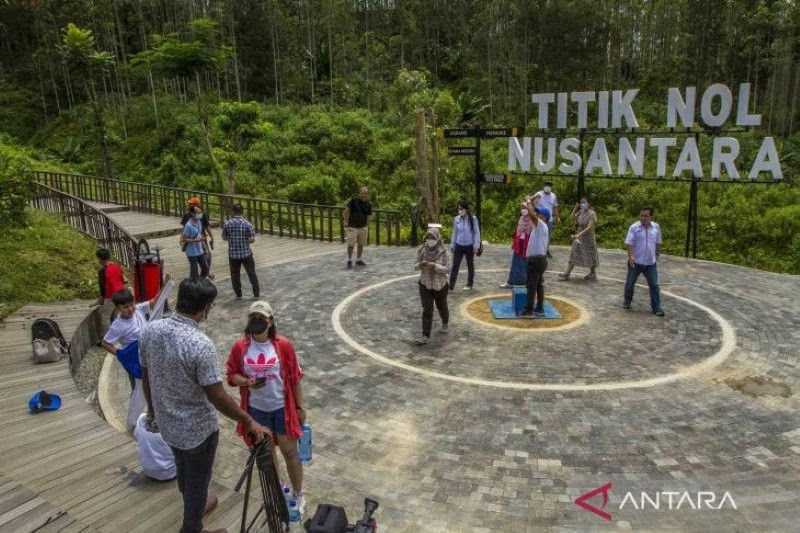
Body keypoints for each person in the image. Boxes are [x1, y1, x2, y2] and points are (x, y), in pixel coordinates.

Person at [140, 278, 270, 533]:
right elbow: (217, 396)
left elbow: (147, 375)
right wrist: (248, 420)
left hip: (167, 423)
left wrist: (153, 410)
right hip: (198, 431)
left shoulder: (150, 330)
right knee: (198, 481)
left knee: (184, 471)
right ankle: (192, 527)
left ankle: (196, 504)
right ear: (206, 308)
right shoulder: (200, 345)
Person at [225, 301, 307, 513]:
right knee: (268, 456)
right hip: (256, 410)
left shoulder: (284, 346)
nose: (257, 322)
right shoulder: (240, 347)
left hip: (282, 408)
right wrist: (246, 382)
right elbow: (232, 374)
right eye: (253, 317)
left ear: (270, 322)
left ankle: (299, 494)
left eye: (261, 318)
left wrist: (300, 408)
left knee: (290, 453)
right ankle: (279, 489)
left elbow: (295, 379)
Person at [101, 283, 168, 390]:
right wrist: (121, 354)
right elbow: (105, 343)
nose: (131, 309)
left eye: (132, 304)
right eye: (125, 307)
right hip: (135, 359)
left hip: (148, 353)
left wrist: (165, 287)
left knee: (152, 383)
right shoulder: (118, 325)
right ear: (118, 308)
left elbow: (153, 302)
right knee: (138, 387)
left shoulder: (138, 309)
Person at [624, 208, 665, 316]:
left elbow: (658, 242)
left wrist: (657, 254)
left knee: (654, 285)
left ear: (651, 217)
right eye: (641, 216)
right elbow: (629, 243)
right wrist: (631, 256)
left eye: (646, 216)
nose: (643, 218)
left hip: (650, 263)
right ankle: (627, 301)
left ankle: (656, 308)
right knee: (630, 284)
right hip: (636, 262)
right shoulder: (634, 227)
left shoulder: (656, 227)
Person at [414, 224, 450, 345]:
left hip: (440, 285)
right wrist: (421, 265)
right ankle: (425, 335)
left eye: (433, 238)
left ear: (438, 239)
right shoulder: (422, 250)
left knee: (442, 306)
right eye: (428, 237)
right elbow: (415, 266)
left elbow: (447, 269)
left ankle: (445, 322)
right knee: (427, 309)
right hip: (425, 284)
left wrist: (435, 266)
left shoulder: (443, 251)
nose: (430, 240)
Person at [222, 203, 260, 299]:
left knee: (235, 275)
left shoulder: (227, 223)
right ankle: (256, 293)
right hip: (246, 253)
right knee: (251, 273)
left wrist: (232, 238)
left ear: (233, 211)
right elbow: (252, 239)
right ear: (242, 211)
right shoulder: (247, 224)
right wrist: (246, 240)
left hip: (233, 254)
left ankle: (238, 294)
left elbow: (224, 237)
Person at [559, 198, 599, 281]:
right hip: (579, 235)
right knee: (574, 252)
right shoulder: (581, 211)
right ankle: (567, 273)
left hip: (588, 237)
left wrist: (578, 234)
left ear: (589, 204)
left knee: (590, 255)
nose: (582, 204)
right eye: (581, 203)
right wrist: (575, 208)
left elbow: (589, 227)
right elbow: (572, 217)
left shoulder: (592, 213)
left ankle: (593, 273)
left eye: (584, 202)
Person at [521, 204, 550, 316]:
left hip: (536, 260)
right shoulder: (539, 227)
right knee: (538, 285)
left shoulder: (541, 225)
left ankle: (529, 310)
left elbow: (532, 216)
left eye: (539, 214)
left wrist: (527, 205)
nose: (537, 215)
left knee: (531, 285)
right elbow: (532, 217)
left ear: (544, 217)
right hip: (540, 259)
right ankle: (539, 308)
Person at [448, 200, 481, 291]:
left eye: (461, 209)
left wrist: (476, 245)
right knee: (455, 265)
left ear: (466, 209)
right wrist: (452, 244)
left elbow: (476, 233)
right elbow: (454, 232)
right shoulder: (456, 219)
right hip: (459, 245)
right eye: (458, 209)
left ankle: (469, 284)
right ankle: (451, 285)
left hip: (469, 246)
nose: (459, 210)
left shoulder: (473, 219)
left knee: (470, 265)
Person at [133, 413, 176, 481]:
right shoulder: (170, 424)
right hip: (170, 471)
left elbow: (136, 436)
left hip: (147, 470)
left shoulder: (140, 419)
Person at [500, 202, 533, 288]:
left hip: (527, 245)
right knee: (515, 263)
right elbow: (518, 232)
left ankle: (525, 282)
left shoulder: (532, 220)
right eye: (522, 208)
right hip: (519, 244)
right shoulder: (521, 218)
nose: (523, 210)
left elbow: (532, 234)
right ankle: (511, 282)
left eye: (525, 208)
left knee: (525, 264)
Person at [181, 197, 215, 279]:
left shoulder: (201, 217)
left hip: (201, 241)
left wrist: (211, 237)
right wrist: (182, 241)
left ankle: (205, 275)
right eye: (190, 204)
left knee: (207, 256)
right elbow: (184, 231)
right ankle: (195, 280)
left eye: (191, 204)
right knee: (194, 266)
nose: (189, 205)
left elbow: (207, 226)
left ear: (197, 205)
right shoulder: (187, 217)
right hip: (192, 244)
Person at [343, 186, 372, 268]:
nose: (364, 195)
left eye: (365, 193)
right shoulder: (353, 201)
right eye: (362, 193)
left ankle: (359, 259)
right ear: (359, 193)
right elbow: (345, 211)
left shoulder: (369, 204)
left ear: (367, 194)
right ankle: (349, 260)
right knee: (351, 244)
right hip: (352, 226)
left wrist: (367, 225)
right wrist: (345, 221)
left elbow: (369, 215)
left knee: (361, 244)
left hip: (362, 227)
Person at [534, 182, 559, 257]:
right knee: (538, 234)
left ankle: (546, 250)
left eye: (549, 186)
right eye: (546, 186)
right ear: (543, 186)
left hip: (549, 220)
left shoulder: (553, 196)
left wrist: (557, 217)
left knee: (548, 235)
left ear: (551, 187)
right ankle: (537, 250)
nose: (547, 187)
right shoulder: (539, 194)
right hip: (539, 219)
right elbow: (533, 203)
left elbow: (555, 207)